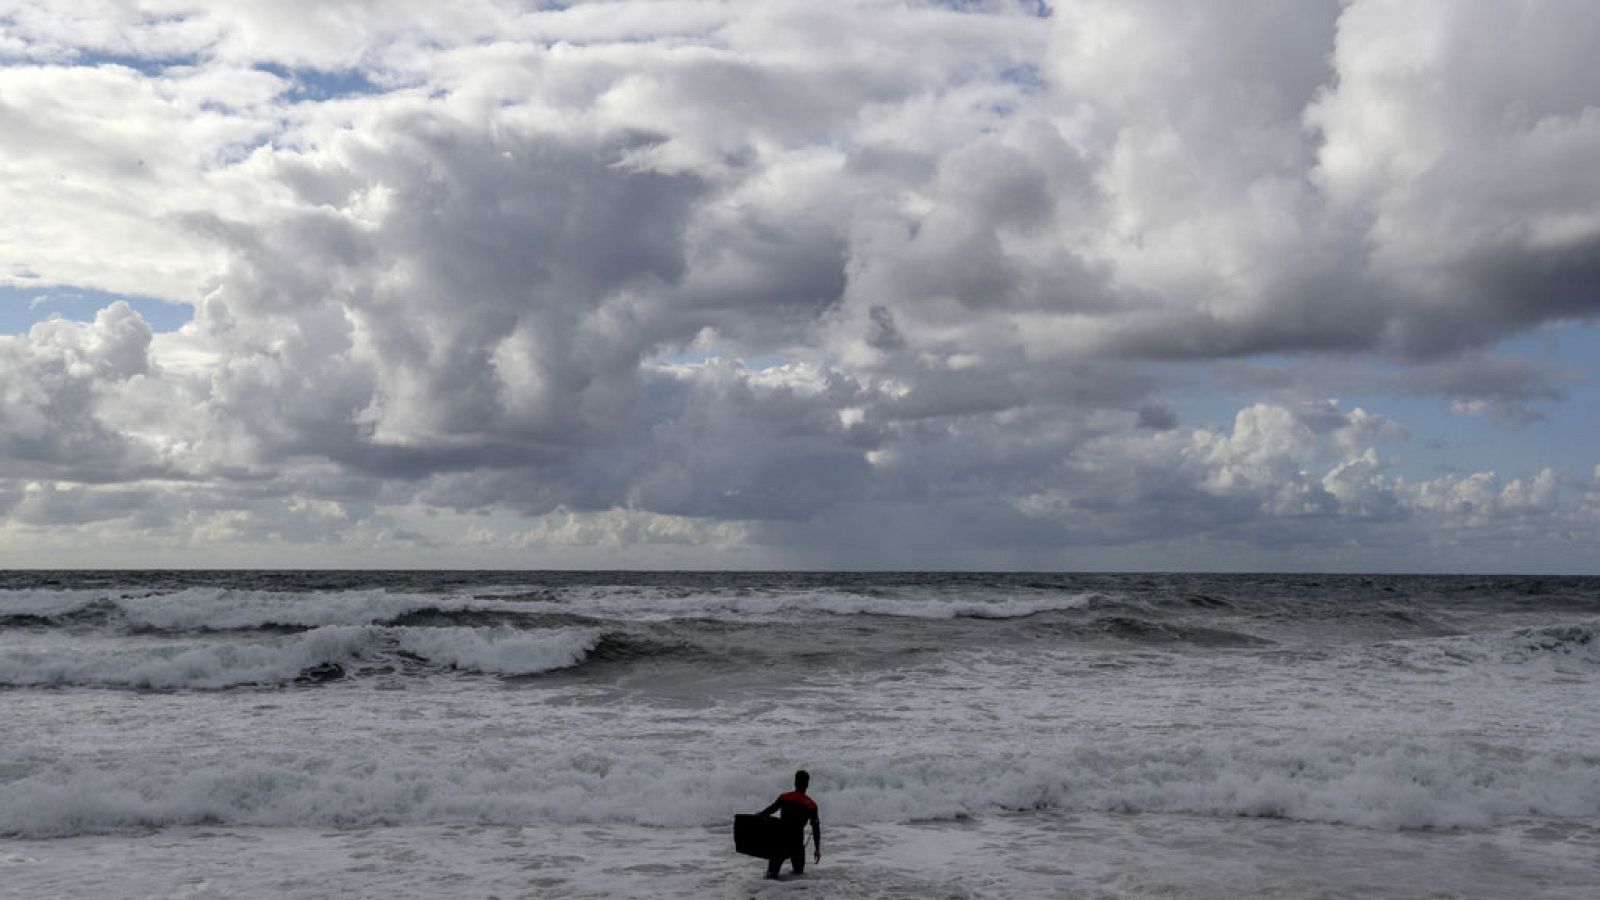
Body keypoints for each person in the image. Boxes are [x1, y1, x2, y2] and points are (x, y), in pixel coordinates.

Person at [755, 769, 821, 879]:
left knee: (771, 877)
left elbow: (768, 811)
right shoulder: (811, 805)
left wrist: (760, 815)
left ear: (794, 783)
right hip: (796, 845)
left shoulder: (784, 797)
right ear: (807, 785)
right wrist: (817, 849)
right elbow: (816, 828)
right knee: (798, 877)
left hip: (780, 842)